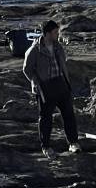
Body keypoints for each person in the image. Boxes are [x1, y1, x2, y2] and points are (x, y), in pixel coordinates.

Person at [22, 18, 80, 157]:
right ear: (47, 34)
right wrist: (35, 82)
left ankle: (73, 143)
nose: (57, 35)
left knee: (69, 115)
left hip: (61, 83)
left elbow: (63, 63)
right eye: (55, 32)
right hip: (45, 87)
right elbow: (26, 69)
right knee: (46, 118)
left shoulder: (58, 47)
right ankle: (46, 146)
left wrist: (67, 82)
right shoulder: (34, 50)